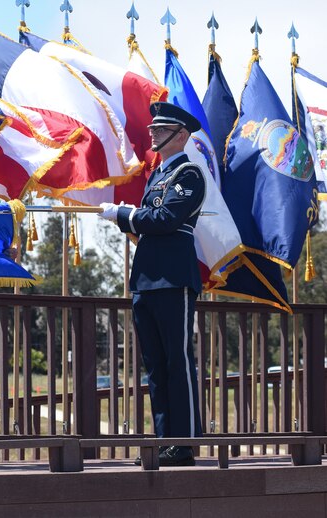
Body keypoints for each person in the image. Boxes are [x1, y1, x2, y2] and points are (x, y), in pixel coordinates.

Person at [98, 102, 206, 467]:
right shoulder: (158, 175)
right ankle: (165, 442)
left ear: (181, 135)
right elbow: (150, 223)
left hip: (174, 279)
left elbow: (165, 218)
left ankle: (183, 443)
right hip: (146, 279)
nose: (153, 133)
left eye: (161, 129)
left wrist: (125, 214)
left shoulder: (189, 174)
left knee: (178, 361)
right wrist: (128, 219)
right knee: (156, 366)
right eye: (153, 128)